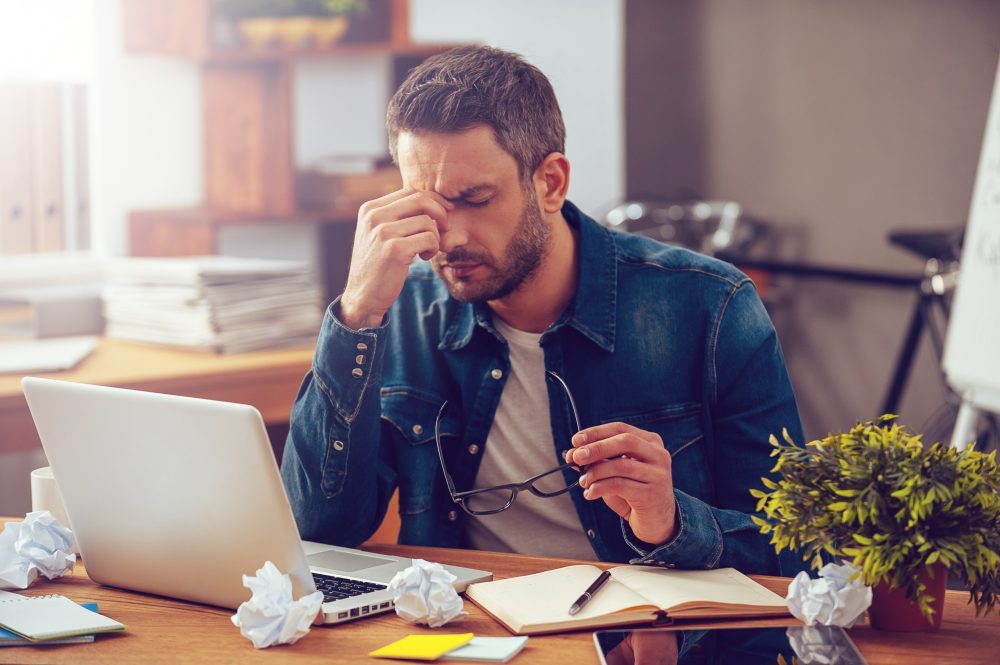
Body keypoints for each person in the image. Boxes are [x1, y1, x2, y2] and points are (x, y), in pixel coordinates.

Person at [280, 45, 804, 573]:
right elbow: (318, 533)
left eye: (476, 198)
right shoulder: (402, 307)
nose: (449, 236)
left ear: (550, 183)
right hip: (468, 631)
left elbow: (793, 552)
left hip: (649, 638)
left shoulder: (711, 305)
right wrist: (357, 315)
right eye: (428, 203)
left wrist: (670, 521)